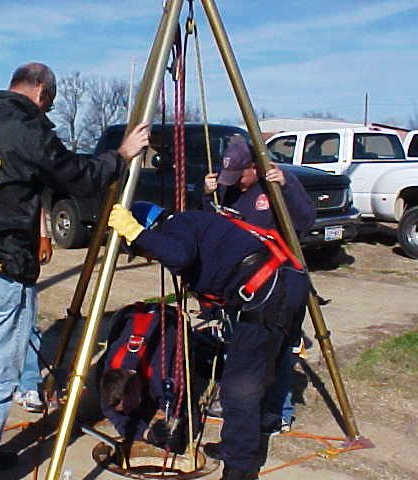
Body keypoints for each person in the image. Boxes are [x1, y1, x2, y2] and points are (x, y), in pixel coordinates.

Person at [0, 62, 149, 480]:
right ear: (43, 93)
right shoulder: (27, 131)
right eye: (50, 103)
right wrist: (120, 157)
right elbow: (76, 177)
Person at [108, 201, 310, 480]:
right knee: (260, 373)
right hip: (281, 285)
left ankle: (239, 468)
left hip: (268, 292)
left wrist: (137, 233)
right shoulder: (190, 225)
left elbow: (179, 257)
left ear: (149, 229)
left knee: (239, 388)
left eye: (142, 250)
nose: (148, 256)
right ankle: (243, 441)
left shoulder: (177, 226)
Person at [202, 138, 315, 434]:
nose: (236, 183)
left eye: (240, 175)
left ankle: (279, 412)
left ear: (254, 167)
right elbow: (209, 223)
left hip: (276, 280)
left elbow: (305, 219)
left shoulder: (276, 186)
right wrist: (207, 195)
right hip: (241, 283)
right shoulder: (228, 188)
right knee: (234, 346)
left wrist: (286, 186)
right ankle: (239, 406)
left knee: (277, 352)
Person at [98, 302, 183, 452]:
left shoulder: (161, 376)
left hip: (169, 319)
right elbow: (110, 411)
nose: (128, 413)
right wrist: (146, 434)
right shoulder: (107, 373)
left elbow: (176, 408)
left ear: (133, 389)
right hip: (129, 315)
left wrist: (171, 429)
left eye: (129, 407)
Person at [14, 208, 52, 413]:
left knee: (28, 324)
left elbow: (36, 199)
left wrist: (43, 236)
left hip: (22, 255)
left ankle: (28, 386)